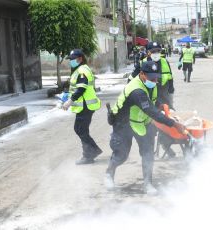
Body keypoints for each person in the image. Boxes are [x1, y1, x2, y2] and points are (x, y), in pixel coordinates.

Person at [105, 61, 186, 194]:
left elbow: (153, 100)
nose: (154, 80)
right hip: (123, 123)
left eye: (156, 77)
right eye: (151, 77)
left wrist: (161, 105)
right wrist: (174, 124)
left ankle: (147, 184)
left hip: (142, 122)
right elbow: (151, 111)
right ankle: (109, 173)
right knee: (121, 155)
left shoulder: (150, 83)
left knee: (148, 153)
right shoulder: (136, 90)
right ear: (142, 74)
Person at [62, 49, 102, 165]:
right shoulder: (79, 69)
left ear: (80, 58)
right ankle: (91, 152)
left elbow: (81, 89)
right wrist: (67, 94)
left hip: (86, 105)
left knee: (80, 129)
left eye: (73, 59)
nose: (71, 61)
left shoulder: (82, 70)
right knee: (81, 130)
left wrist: (70, 101)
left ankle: (89, 154)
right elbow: (76, 87)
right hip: (84, 106)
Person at [130, 41, 175, 109]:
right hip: (147, 92)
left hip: (163, 92)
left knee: (168, 111)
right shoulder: (142, 63)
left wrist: (171, 86)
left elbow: (169, 75)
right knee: (150, 113)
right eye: (153, 51)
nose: (156, 53)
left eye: (158, 51)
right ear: (148, 52)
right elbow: (132, 77)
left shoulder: (165, 61)